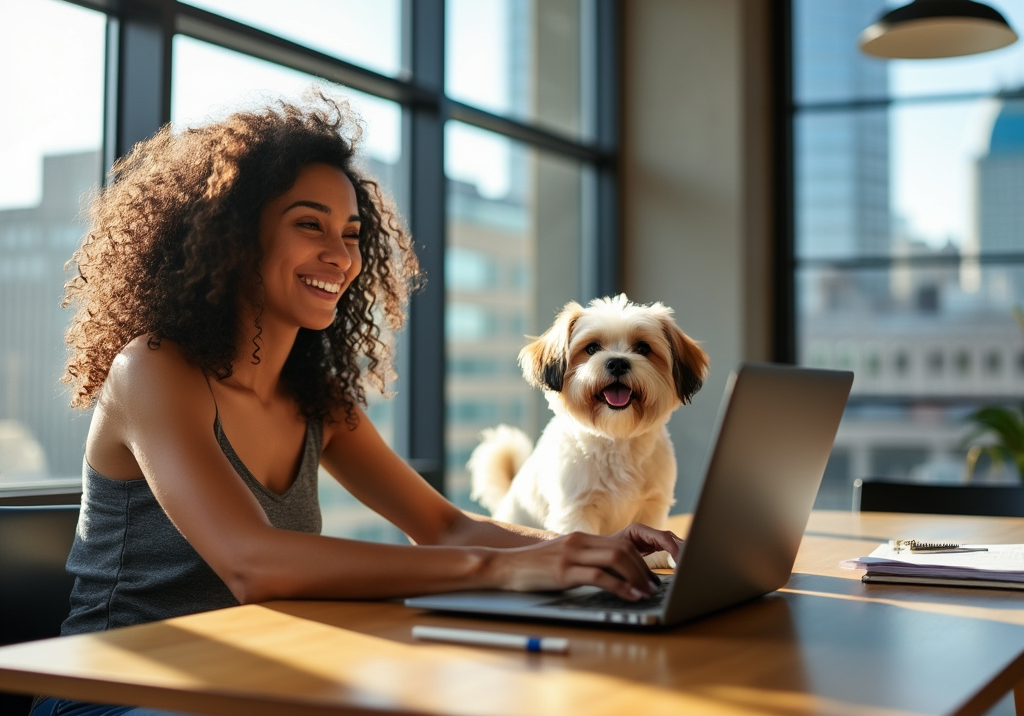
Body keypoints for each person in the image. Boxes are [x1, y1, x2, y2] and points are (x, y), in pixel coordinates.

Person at [31, 90, 681, 716]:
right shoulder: (151, 369)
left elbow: (446, 527)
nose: (341, 256)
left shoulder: (317, 396)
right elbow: (254, 564)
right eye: (309, 225)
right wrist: (512, 570)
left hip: (252, 677)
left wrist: (584, 551)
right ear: (232, 236)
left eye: (351, 232)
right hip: (116, 690)